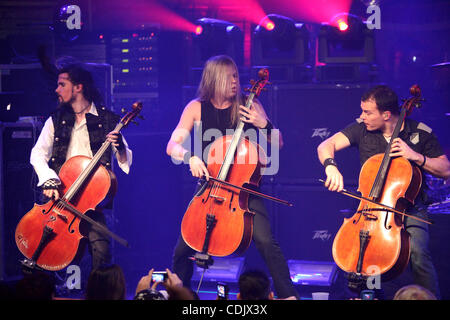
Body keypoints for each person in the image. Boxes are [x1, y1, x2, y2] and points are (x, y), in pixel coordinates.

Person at [166, 55, 298, 300]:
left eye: (236, 76)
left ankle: (289, 296)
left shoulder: (250, 104)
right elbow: (172, 144)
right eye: (229, 77)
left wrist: (263, 123)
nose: (235, 82)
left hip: (242, 192)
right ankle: (179, 296)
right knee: (182, 248)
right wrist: (190, 157)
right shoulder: (196, 107)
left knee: (266, 242)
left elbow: (278, 143)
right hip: (210, 186)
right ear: (214, 79)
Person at [317, 85, 450, 299]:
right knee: (363, 253)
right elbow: (326, 145)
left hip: (411, 208)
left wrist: (415, 156)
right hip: (370, 208)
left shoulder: (420, 132)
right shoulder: (361, 129)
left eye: (367, 112)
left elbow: (446, 170)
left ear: (386, 114)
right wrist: (331, 166)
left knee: (418, 254)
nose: (362, 116)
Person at [29, 63, 132, 271]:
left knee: (102, 251)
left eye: (62, 84)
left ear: (78, 87)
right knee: (44, 249)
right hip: (59, 197)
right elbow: (37, 153)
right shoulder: (56, 121)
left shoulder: (108, 120)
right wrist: (49, 179)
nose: (57, 90)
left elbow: (125, 162)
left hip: (90, 203)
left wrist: (120, 146)